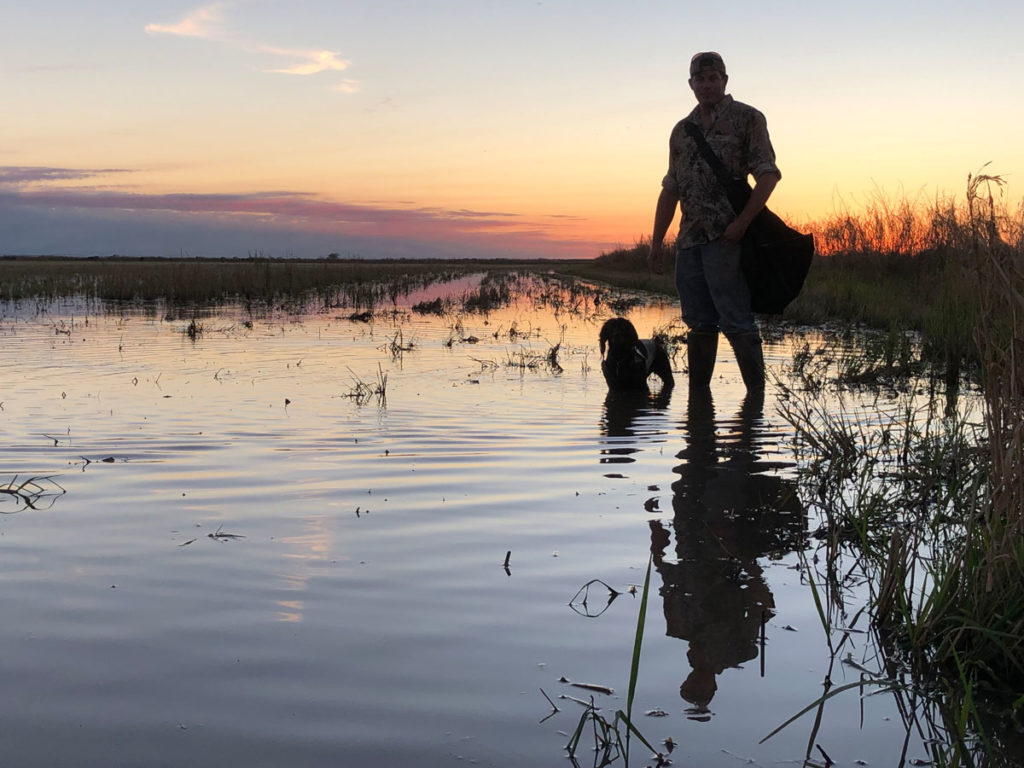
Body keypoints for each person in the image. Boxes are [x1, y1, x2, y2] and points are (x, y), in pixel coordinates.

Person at [647, 51, 781, 394]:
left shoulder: (747, 118)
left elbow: (767, 175)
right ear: (691, 84)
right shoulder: (682, 130)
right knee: (699, 325)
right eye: (700, 79)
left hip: (728, 239)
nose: (706, 84)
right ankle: (699, 407)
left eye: (713, 78)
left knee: (737, 321)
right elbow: (670, 189)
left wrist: (743, 223)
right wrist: (656, 242)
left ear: (724, 80)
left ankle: (755, 405)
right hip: (689, 242)